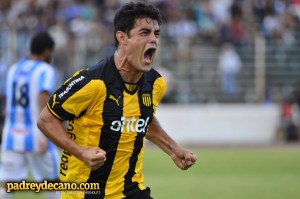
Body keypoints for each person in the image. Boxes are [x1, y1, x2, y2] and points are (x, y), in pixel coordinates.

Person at [37, 2, 197, 199]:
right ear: (122, 37)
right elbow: (46, 119)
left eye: (156, 33)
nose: (153, 39)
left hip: (130, 189)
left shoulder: (155, 83)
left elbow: (143, 119)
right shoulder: (92, 82)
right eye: (144, 32)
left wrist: (173, 149)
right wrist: (81, 152)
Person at [0, 32, 60, 199]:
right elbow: (42, 96)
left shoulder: (13, 69)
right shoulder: (45, 70)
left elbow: (9, 100)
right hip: (35, 133)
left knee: (7, 183)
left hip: (11, 134)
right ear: (47, 51)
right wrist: (44, 135)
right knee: (53, 180)